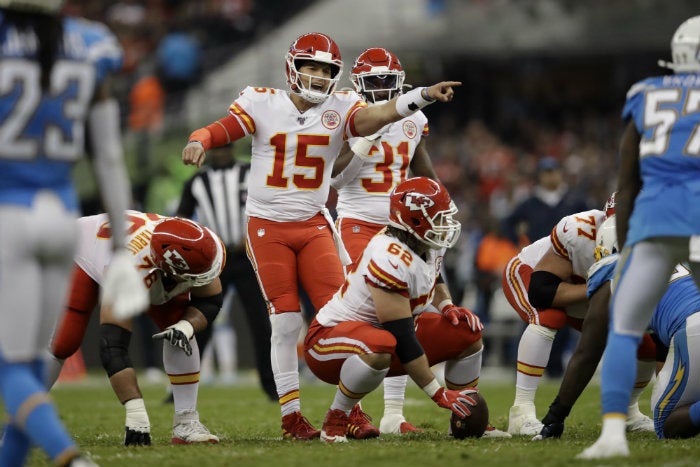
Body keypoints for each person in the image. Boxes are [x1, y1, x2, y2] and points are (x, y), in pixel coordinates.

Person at [181, 31, 460, 440]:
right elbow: (224, 128)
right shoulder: (262, 102)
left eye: (326, 69)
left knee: (343, 319)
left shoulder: (343, 105)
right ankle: (292, 416)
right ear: (292, 67)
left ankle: (350, 411)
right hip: (267, 227)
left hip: (314, 223)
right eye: (310, 66)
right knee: (287, 322)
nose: (317, 75)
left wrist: (421, 96)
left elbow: (378, 117)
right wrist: (199, 138)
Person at [0, 2, 147, 466]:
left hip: (9, 216)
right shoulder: (90, 43)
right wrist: (122, 248)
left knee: (11, 367)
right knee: (29, 365)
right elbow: (107, 156)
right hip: (62, 217)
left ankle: (69, 457)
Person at [579, 15, 700, 459]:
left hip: (653, 220)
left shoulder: (645, 92)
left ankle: (612, 434)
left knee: (625, 329)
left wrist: (628, 243)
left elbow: (627, 181)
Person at [304, 177, 485, 443]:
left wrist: (446, 305)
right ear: (414, 222)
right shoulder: (388, 255)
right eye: (439, 217)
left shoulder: (422, 240)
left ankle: (463, 419)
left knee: (467, 331)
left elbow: (431, 276)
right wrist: (438, 393)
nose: (445, 224)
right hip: (328, 342)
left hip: (387, 343)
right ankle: (337, 416)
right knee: (382, 342)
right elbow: (401, 336)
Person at [331, 47, 438, 436]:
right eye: (372, 80)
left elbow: (422, 168)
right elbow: (334, 178)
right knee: (366, 316)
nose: (379, 87)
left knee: (404, 314)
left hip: (400, 226)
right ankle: (350, 410)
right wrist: (365, 138)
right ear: (359, 84)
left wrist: (442, 201)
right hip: (357, 223)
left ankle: (394, 413)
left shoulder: (415, 119)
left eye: (385, 80)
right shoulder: (349, 115)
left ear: (398, 81)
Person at [49, 211, 224, 446]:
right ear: (168, 269)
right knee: (65, 341)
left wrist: (185, 325)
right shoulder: (128, 268)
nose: (207, 279)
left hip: (147, 259)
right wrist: (135, 412)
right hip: (88, 252)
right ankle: (23, 417)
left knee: (181, 334)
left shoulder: (194, 242)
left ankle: (186, 422)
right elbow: (112, 345)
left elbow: (210, 301)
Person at [533, 214, 656, 440]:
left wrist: (554, 418)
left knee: (672, 418)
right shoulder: (668, 249)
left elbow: (587, 354)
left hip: (686, 330)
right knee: (657, 348)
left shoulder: (614, 269)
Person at [176, 143, 277, 401]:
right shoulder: (197, 181)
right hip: (214, 258)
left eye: (226, 148)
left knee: (261, 325)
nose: (222, 153)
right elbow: (181, 221)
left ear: (233, 149)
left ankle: (271, 385)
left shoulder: (251, 172)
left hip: (246, 257)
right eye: (218, 150)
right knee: (201, 322)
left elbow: (272, 204)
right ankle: (182, 385)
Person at [503, 204, 607, 435]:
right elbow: (541, 291)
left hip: (581, 289)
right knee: (549, 315)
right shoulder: (581, 230)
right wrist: (597, 288)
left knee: (644, 340)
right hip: (532, 273)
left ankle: (629, 412)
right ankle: (522, 411)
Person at [501, 156, 590, 379]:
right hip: (539, 264)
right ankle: (523, 365)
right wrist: (518, 241)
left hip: (569, 266)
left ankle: (555, 367)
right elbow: (508, 223)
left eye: (553, 171)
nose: (550, 176)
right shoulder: (530, 202)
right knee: (535, 313)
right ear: (540, 176)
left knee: (565, 316)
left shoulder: (574, 199)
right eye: (546, 172)